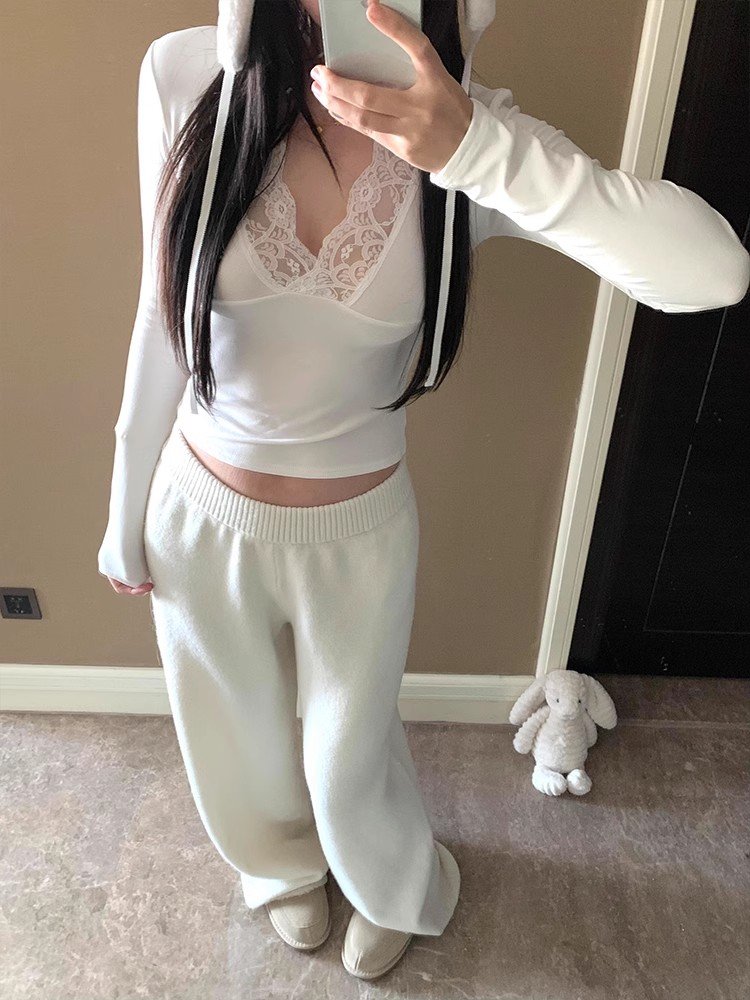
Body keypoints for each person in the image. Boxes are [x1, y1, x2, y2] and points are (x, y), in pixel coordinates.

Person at [96, 0, 750, 981]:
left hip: (357, 539)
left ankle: (395, 885)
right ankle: (280, 871)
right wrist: (123, 503)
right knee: (233, 743)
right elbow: (159, 313)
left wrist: (476, 150)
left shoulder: (470, 135)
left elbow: (714, 271)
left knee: (348, 761)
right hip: (198, 514)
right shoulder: (185, 76)